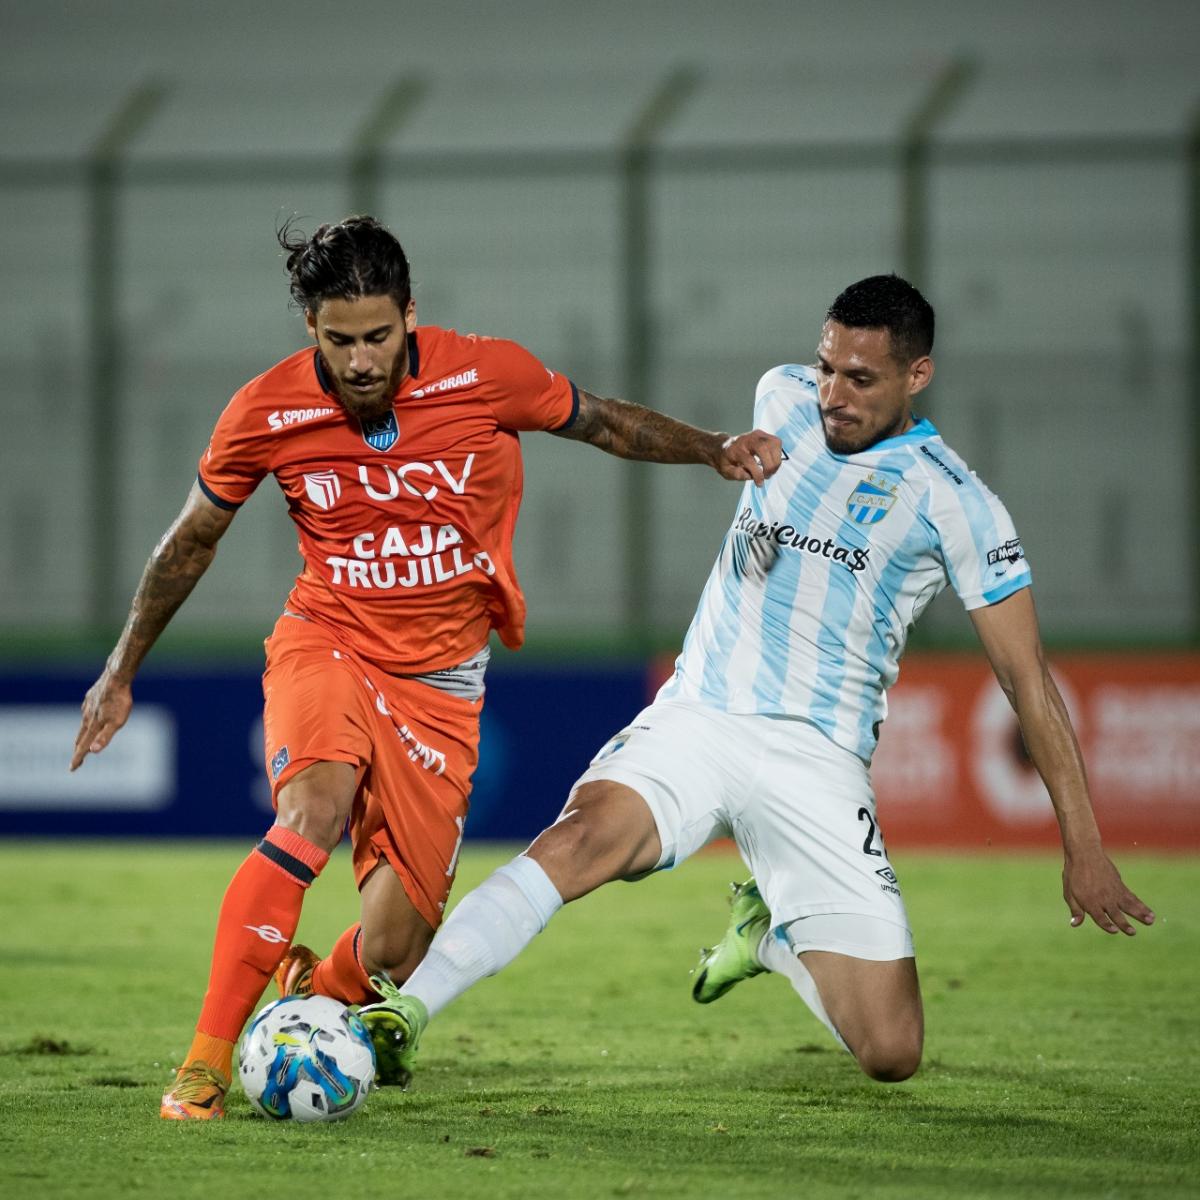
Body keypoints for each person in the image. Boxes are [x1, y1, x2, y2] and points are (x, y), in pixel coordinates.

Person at [351, 273, 1156, 1089]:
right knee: (582, 840)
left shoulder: (956, 503)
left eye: (860, 379)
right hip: (704, 714)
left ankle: (766, 938)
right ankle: (405, 1012)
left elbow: (1027, 682)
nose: (833, 395)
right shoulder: (781, 397)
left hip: (819, 757)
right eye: (826, 368)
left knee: (892, 1051)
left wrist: (1084, 845)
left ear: (918, 375)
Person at [69, 215, 783, 1120]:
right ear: (311, 329)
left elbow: (603, 421)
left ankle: (313, 992)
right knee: (311, 811)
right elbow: (190, 541)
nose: (361, 361)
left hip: (441, 687)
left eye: (378, 336)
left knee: (396, 950)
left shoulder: (486, 374)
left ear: (411, 314)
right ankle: (203, 1067)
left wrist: (713, 447)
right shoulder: (264, 410)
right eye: (339, 341)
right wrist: (121, 669)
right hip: (330, 641)